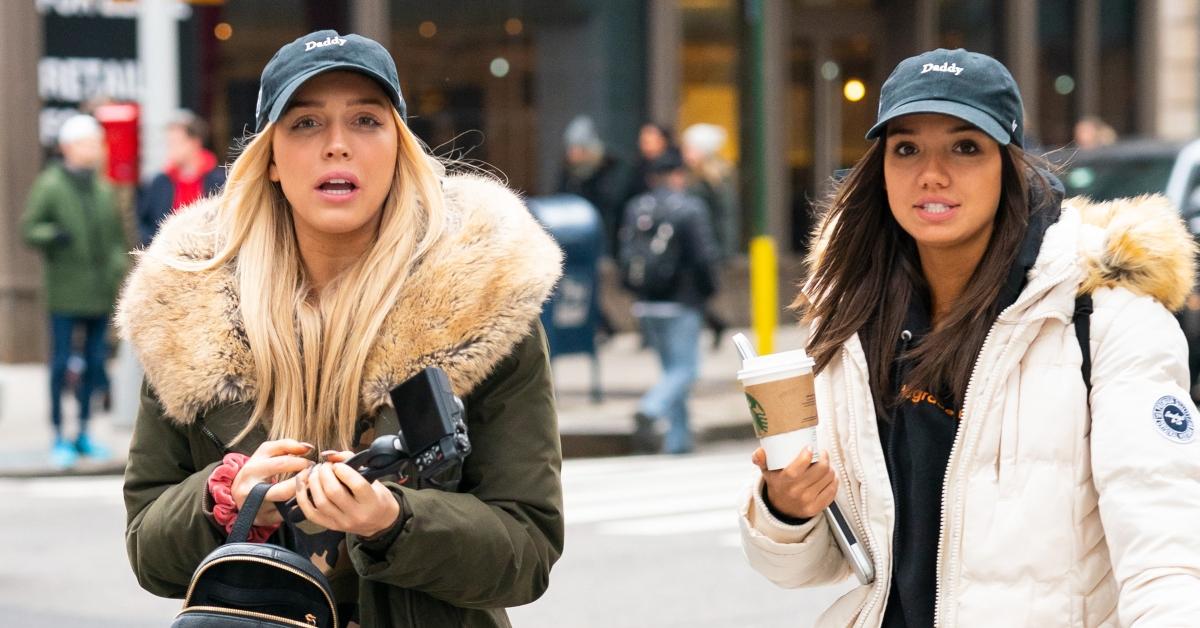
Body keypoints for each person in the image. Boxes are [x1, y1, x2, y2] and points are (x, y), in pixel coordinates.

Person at [117, 30, 564, 627]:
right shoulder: (187, 305)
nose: (337, 146)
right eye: (304, 124)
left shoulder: (485, 304)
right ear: (270, 159)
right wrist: (225, 497)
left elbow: (526, 551)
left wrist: (393, 520)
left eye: (365, 120)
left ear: (400, 148)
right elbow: (149, 552)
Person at [739, 48, 1200, 626]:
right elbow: (809, 568)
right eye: (906, 148)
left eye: (965, 146)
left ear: (1009, 164)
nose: (932, 173)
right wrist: (785, 509)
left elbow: (1166, 551)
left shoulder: (1102, 318)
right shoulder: (852, 320)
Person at [22, 114, 129, 468]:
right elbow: (30, 228)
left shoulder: (102, 188)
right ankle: (58, 433)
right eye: (88, 142)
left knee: (96, 363)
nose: (96, 149)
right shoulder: (50, 185)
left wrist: (118, 272)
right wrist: (53, 236)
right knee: (61, 363)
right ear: (68, 147)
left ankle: (83, 431)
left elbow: (116, 238)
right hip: (65, 293)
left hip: (99, 294)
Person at [619, 148, 720, 454]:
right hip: (681, 302)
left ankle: (679, 440)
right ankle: (651, 408)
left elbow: (622, 250)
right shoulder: (689, 208)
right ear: (678, 175)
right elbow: (704, 258)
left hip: (646, 302)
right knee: (685, 371)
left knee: (671, 370)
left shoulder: (637, 207)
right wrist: (708, 293)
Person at [681, 122, 738, 349]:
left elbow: (726, 218)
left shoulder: (716, 179)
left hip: (707, 245)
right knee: (696, 292)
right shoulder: (691, 177)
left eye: (690, 148)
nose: (686, 153)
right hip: (695, 244)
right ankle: (714, 324)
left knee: (697, 292)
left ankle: (715, 324)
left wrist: (723, 249)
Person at [136, 110, 227, 245]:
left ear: (195, 143)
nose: (170, 148)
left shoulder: (220, 181)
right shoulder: (160, 183)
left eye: (176, 142)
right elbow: (144, 223)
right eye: (168, 143)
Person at [557, 114, 633, 257]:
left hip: (608, 237)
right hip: (578, 235)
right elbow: (561, 197)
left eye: (577, 149)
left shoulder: (613, 166)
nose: (572, 155)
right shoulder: (568, 170)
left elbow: (614, 201)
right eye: (570, 149)